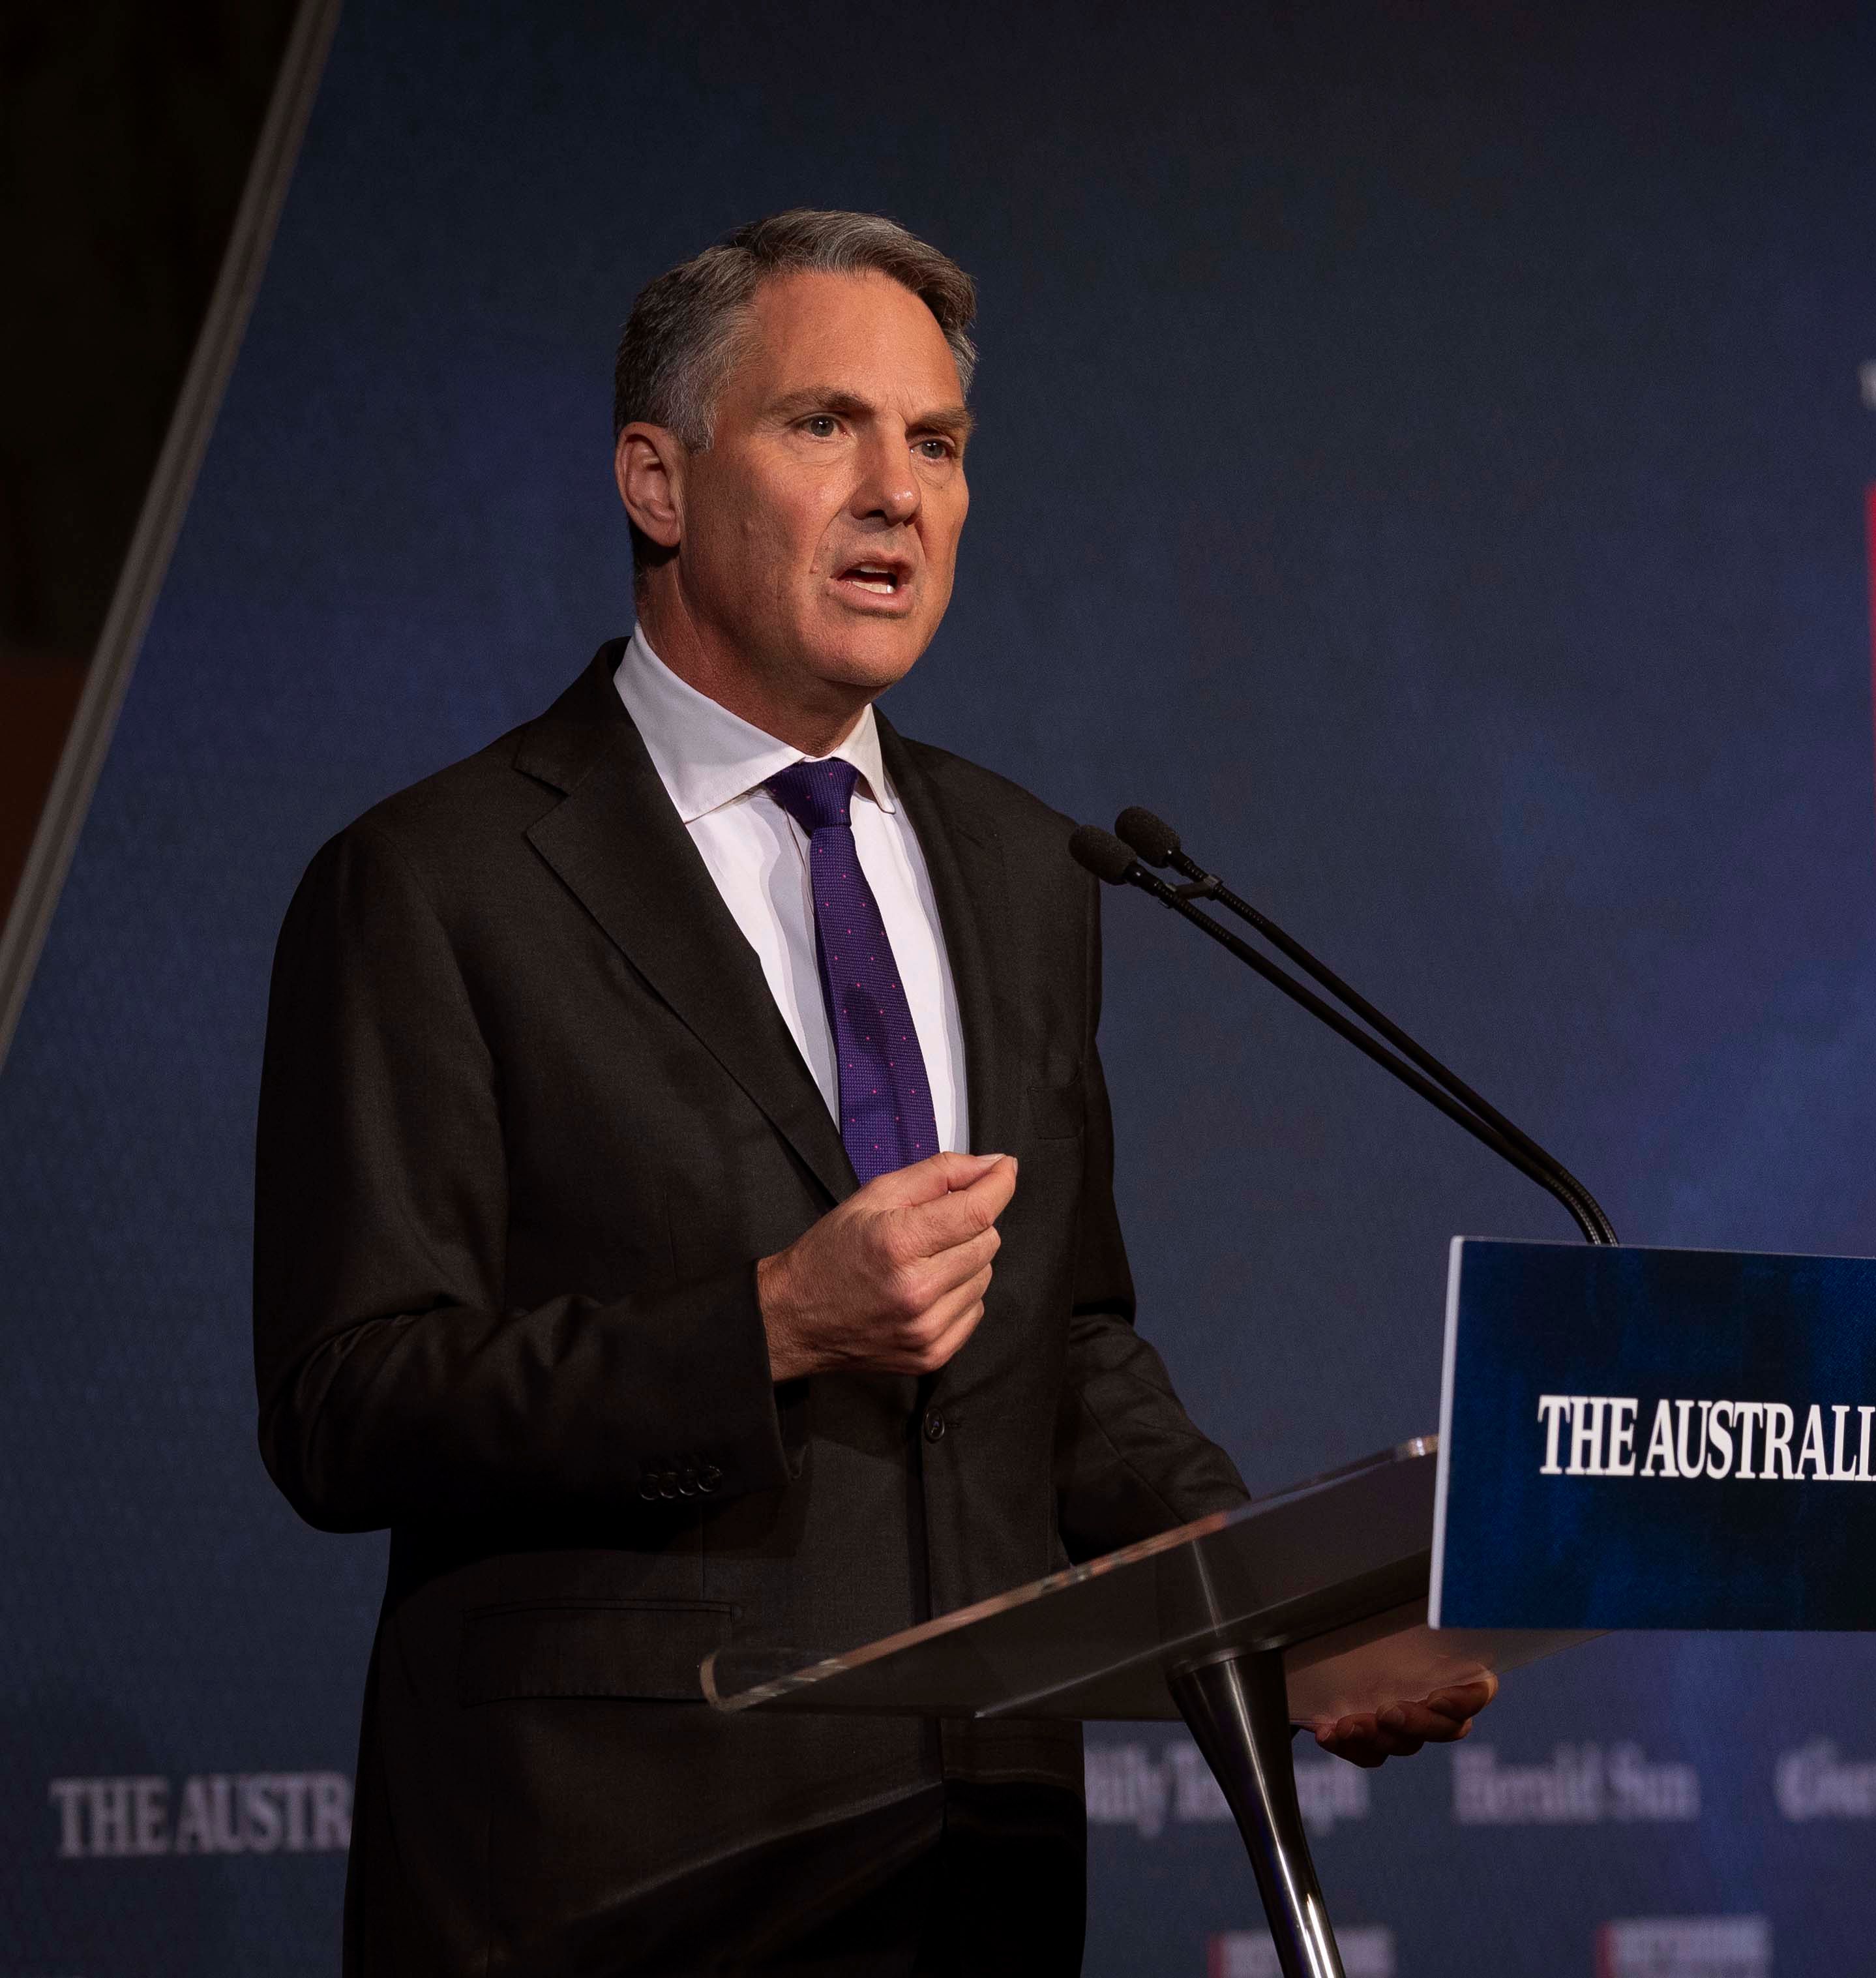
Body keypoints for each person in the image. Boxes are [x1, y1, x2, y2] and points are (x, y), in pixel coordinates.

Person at [252, 208, 1490, 1978]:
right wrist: (762, 1323)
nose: (899, 490)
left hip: (967, 1879)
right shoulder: (440, 882)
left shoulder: (1027, 867)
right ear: (658, 482)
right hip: (616, 1885)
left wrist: (1275, 1616)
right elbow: (344, 1398)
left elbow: (1063, 1351)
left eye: (940, 443)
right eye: (825, 425)